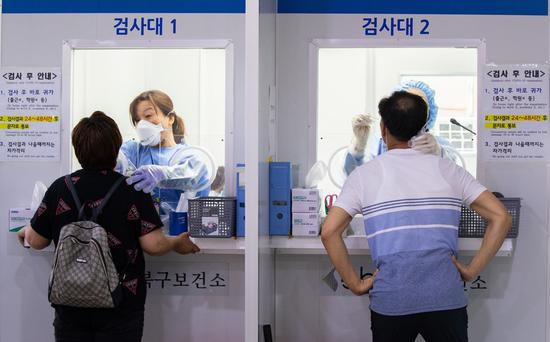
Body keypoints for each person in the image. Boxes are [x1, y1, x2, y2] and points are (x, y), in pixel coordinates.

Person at [321, 91, 511, 342]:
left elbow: (329, 231)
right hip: (445, 298)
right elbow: (501, 216)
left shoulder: (365, 176)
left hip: (391, 300)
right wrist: (471, 270)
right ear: (423, 127)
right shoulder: (448, 169)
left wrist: (356, 284)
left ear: (383, 126)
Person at [17, 111, 200, 342]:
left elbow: (35, 240)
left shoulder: (60, 188)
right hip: (121, 302)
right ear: (116, 149)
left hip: (71, 301)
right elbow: (154, 245)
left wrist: (25, 231)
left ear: (78, 149)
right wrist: (176, 242)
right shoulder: (132, 189)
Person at [116, 90, 211, 223]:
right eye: (138, 120)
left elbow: (195, 175)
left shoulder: (189, 156)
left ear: (170, 118)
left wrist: (163, 174)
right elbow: (112, 162)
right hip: (143, 237)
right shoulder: (133, 151)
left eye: (148, 115)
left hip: (179, 235)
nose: (142, 125)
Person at [344, 80, 456, 176]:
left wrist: (438, 153)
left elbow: (454, 177)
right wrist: (359, 145)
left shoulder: (437, 144)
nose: (412, 108)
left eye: (420, 103)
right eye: (407, 102)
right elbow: (358, 177)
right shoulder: (382, 143)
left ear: (429, 112)